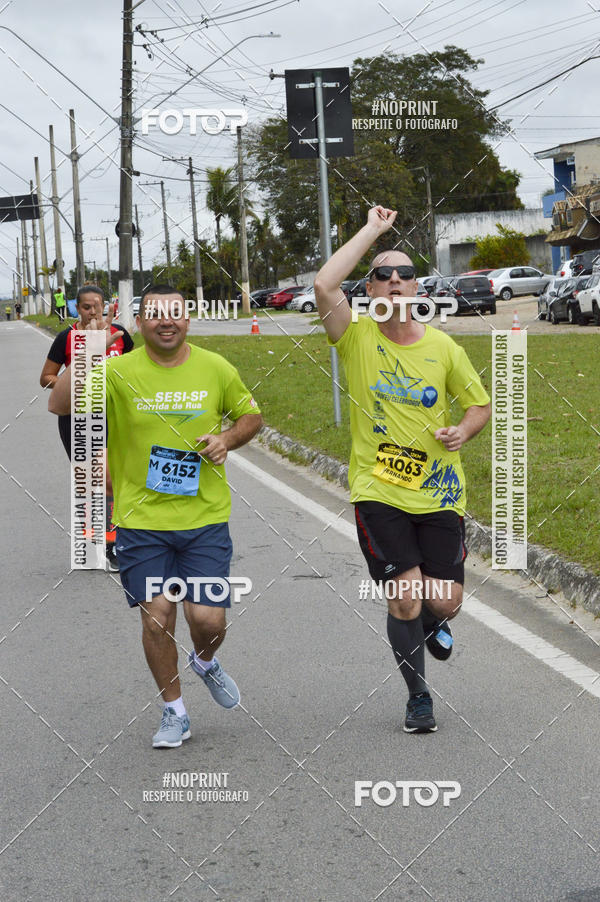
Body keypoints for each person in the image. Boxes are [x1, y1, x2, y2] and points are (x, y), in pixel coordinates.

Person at [49, 284, 263, 749]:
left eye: (175, 314)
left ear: (186, 320)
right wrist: (93, 348)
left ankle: (205, 663)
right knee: (157, 616)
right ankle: (174, 711)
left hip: (204, 518)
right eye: (155, 315)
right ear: (140, 323)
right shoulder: (118, 370)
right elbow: (58, 402)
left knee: (207, 620)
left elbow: (251, 416)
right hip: (141, 522)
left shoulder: (215, 367)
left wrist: (229, 438)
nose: (166, 322)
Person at [314, 206, 491, 734]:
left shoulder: (443, 347)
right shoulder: (355, 338)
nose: (395, 281)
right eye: (383, 275)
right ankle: (419, 697)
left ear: (419, 288)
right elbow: (325, 285)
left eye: (405, 274)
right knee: (406, 597)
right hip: (379, 489)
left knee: (446, 602)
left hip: (439, 493)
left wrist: (463, 431)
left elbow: (479, 405)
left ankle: (434, 623)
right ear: (368, 289)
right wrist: (374, 231)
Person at [40, 285, 134, 569]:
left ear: (105, 307)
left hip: (115, 415)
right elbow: (46, 378)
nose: (92, 312)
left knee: (110, 478)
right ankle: (106, 537)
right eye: (86, 307)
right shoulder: (66, 338)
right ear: (77, 309)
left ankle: (114, 542)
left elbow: (134, 370)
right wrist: (76, 380)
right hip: (77, 417)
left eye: (97, 306)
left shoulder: (119, 335)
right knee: (97, 481)